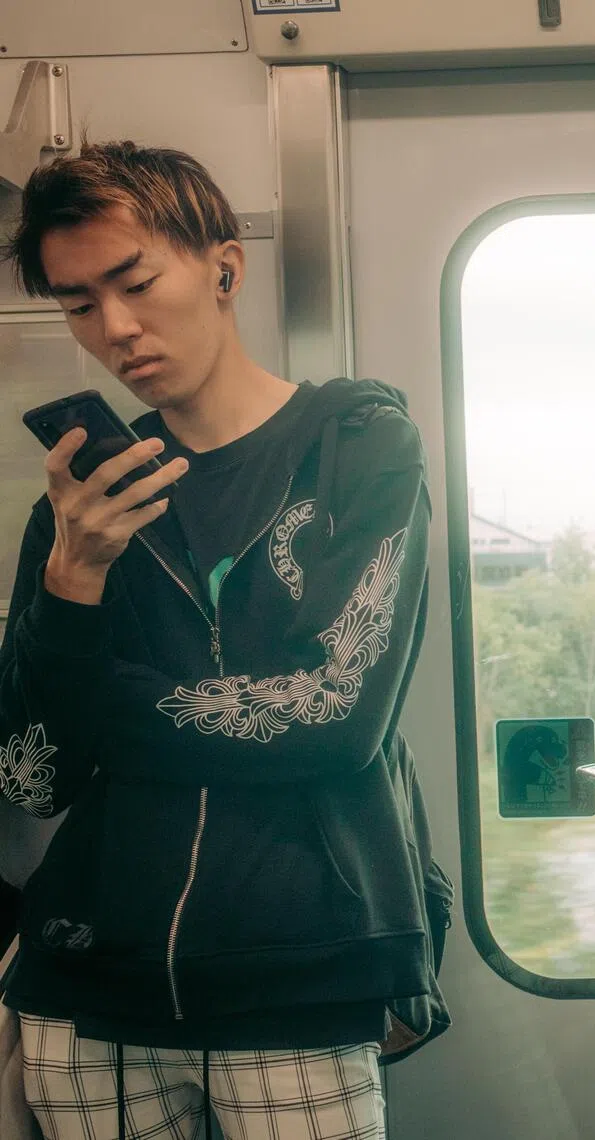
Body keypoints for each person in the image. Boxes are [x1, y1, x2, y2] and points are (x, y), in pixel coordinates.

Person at [0, 141, 452, 1140]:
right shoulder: (79, 512)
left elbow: (333, 718)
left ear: (223, 268)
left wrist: (111, 702)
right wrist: (72, 585)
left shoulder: (356, 448)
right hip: (88, 987)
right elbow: (33, 777)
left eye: (134, 283)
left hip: (296, 977)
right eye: (80, 305)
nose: (116, 328)